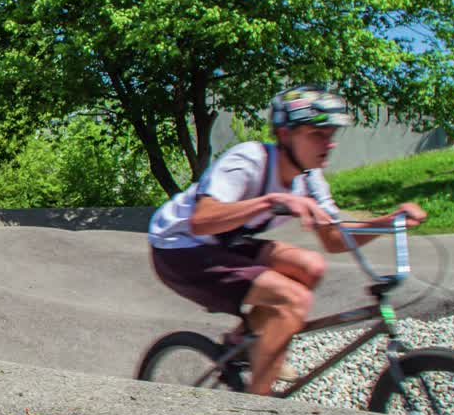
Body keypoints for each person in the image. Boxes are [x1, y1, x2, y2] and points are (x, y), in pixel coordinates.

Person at [147, 85, 427, 396]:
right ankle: (257, 411)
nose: (329, 143)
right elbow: (201, 220)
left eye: (331, 133)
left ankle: (243, 342)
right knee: (293, 300)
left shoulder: (309, 179)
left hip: (222, 242)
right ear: (284, 134)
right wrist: (271, 201)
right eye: (316, 134)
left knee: (311, 266)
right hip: (178, 247)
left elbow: (333, 238)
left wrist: (386, 222)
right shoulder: (248, 160)